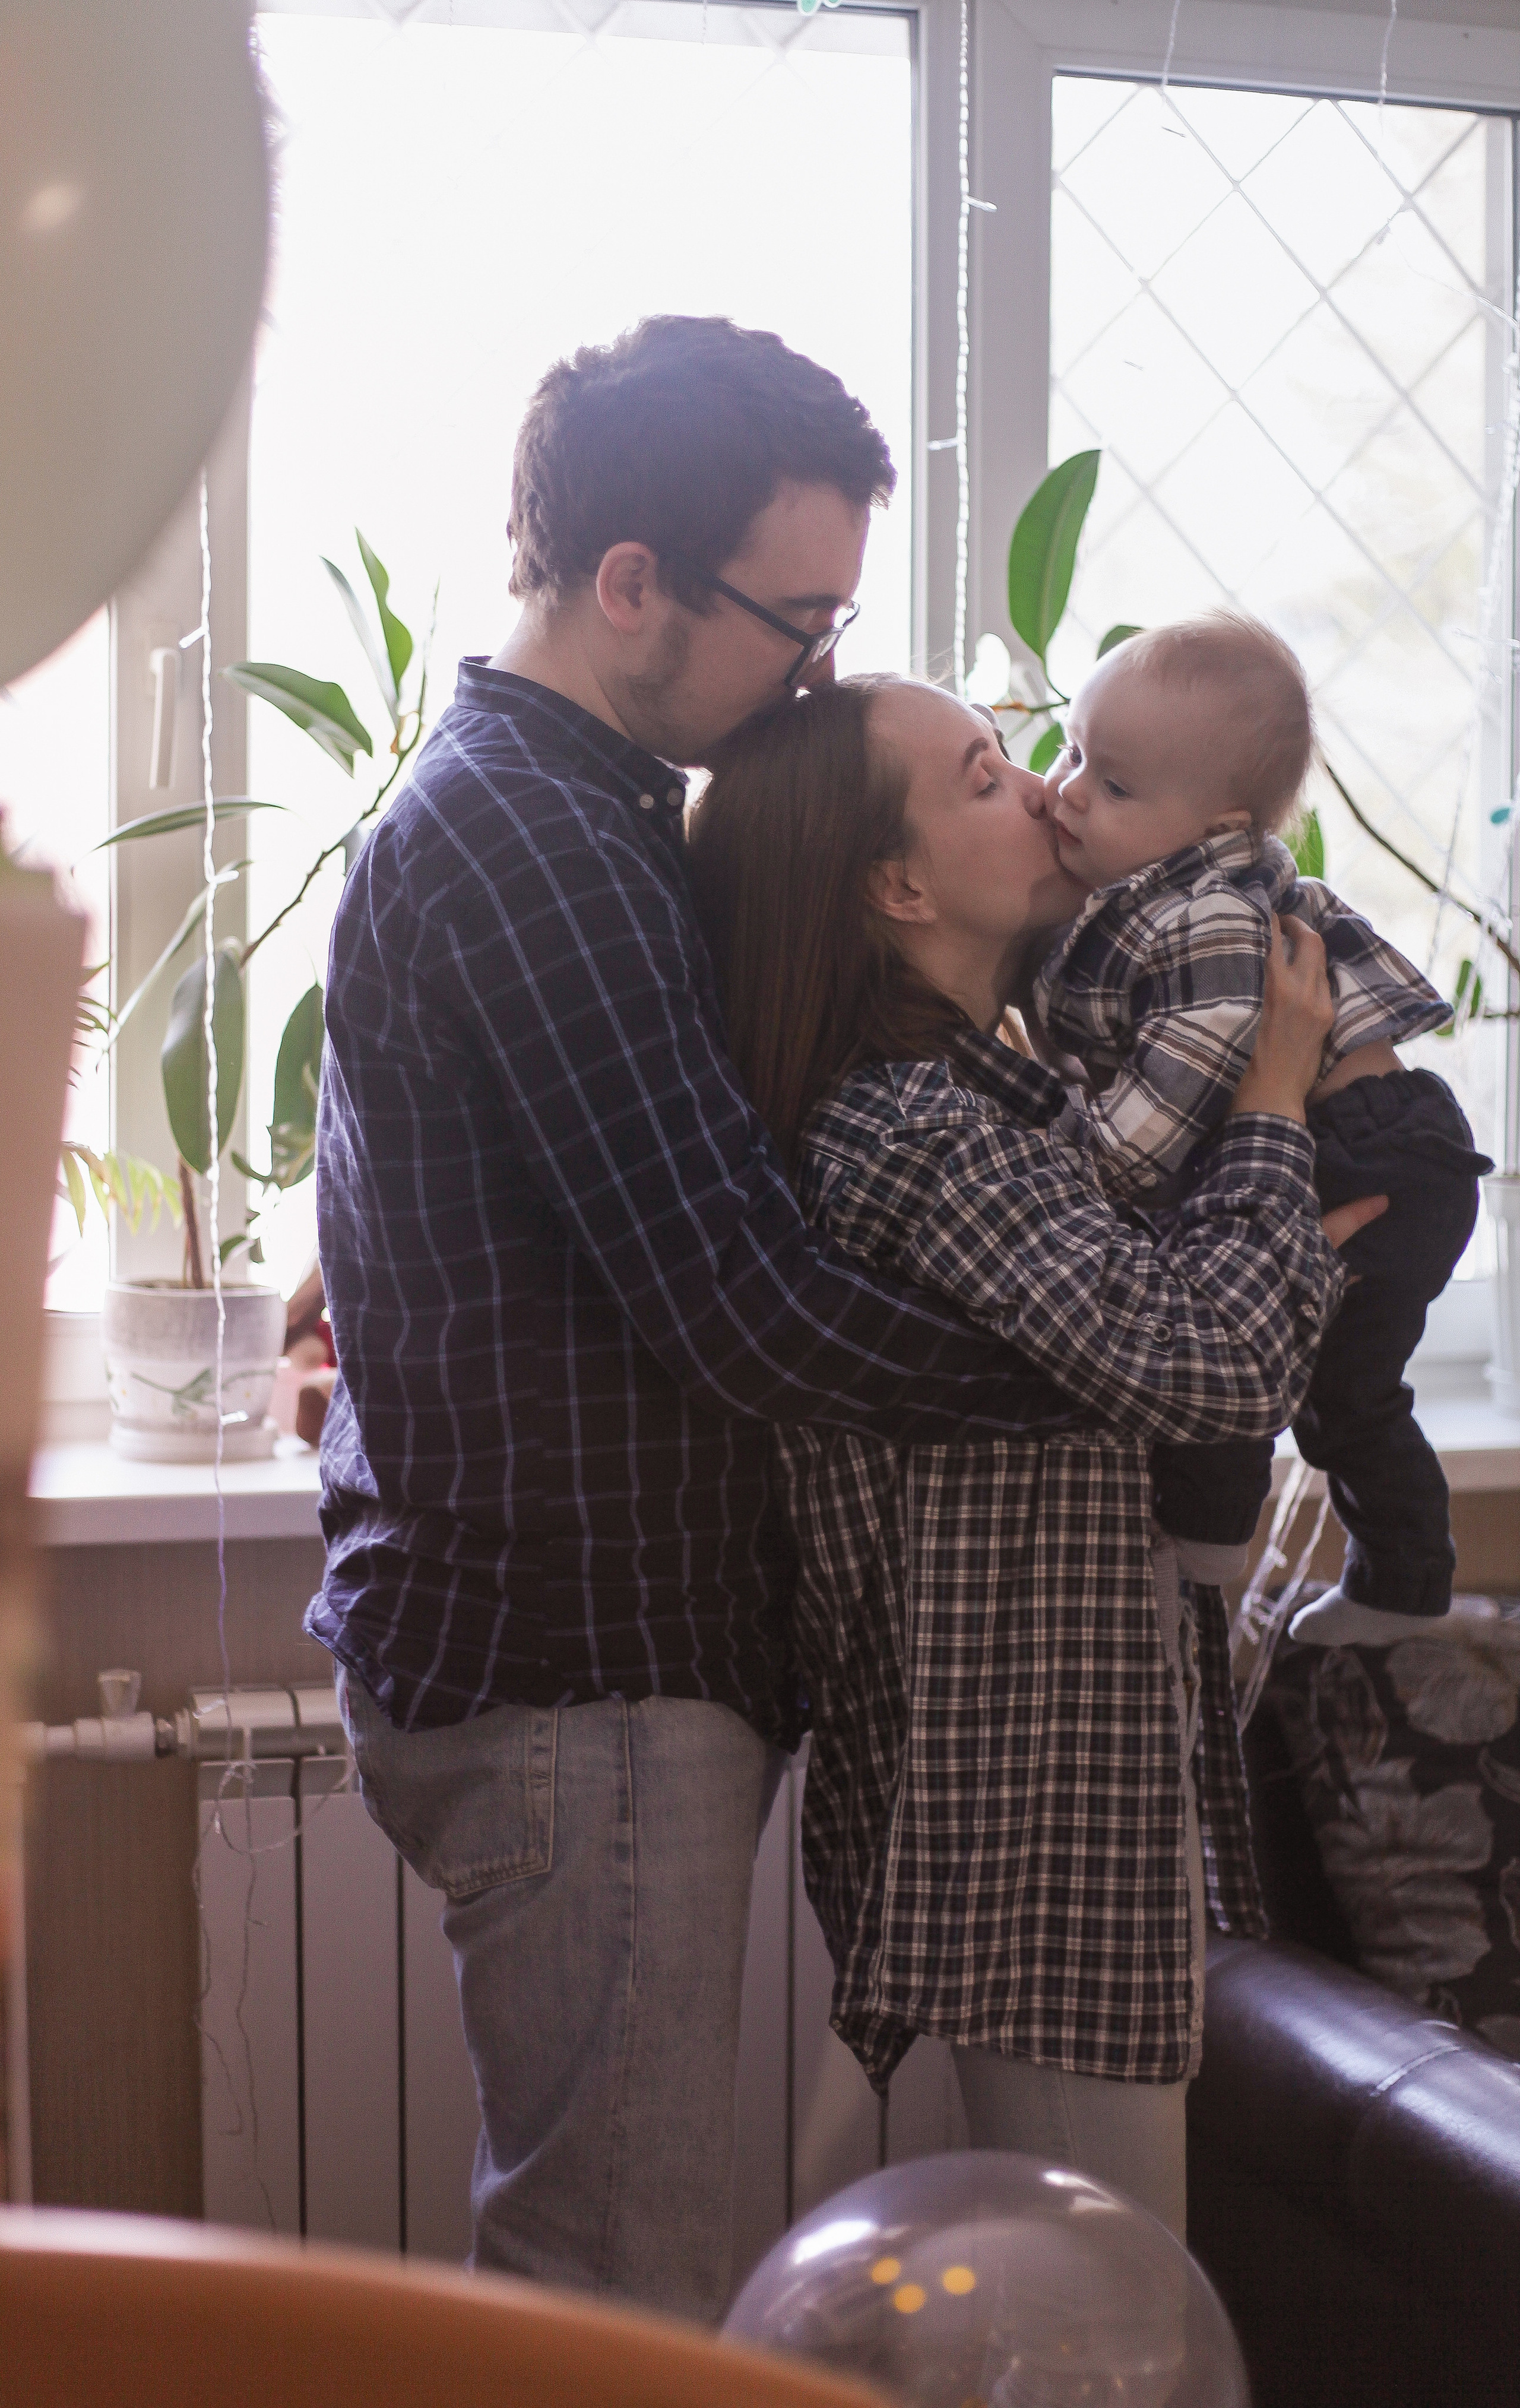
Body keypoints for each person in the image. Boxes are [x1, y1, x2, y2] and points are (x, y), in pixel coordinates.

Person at [311, 316, 1100, 2325]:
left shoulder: (575, 819)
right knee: (613, 2297)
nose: (819, 673)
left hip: (577, 1670)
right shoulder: (535, 842)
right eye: (798, 620)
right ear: (630, 584)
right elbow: (738, 1305)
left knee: (598, 2274)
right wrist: (1091, 1372)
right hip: (584, 1677)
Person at [687, 671, 1385, 2241]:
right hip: (1030, 1818)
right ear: (899, 887)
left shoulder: (1021, 1099)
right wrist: (1274, 1102)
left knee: (1073, 2297)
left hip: (1057, 1788)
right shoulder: (917, 1130)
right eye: (987, 773)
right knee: (1108, 2307)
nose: (1047, 790)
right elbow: (1212, 1367)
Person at [1030, 613, 1491, 1643]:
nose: (1068, 791)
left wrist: (1077, 1164)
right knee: (1341, 1387)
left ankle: (1224, 1533)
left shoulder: (1208, 915)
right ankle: (1379, 1575)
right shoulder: (1165, 890)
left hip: (1366, 1153)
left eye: (1114, 786)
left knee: (1237, 1305)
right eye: (1070, 752)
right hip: (1378, 1140)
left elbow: (1159, 1117)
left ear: (1216, 824)